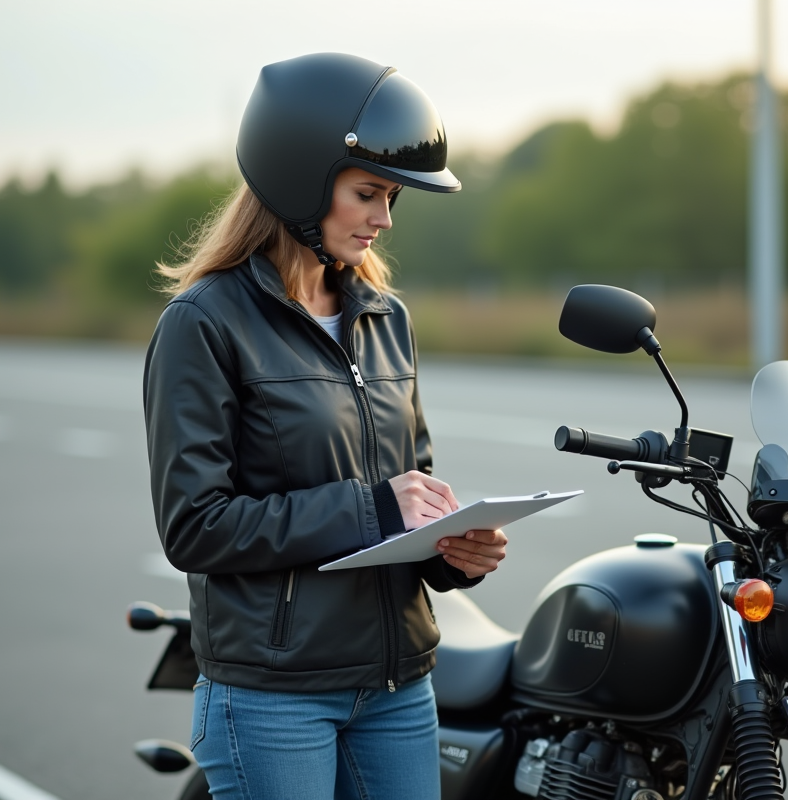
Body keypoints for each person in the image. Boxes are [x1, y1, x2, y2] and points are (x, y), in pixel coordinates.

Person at [142, 52, 507, 799]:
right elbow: (195, 527)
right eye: (368, 193)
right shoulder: (204, 324)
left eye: (392, 198)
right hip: (273, 696)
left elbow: (413, 487)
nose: (384, 217)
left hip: (398, 684)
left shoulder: (386, 319)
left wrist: (451, 549)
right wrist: (376, 508)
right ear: (300, 181)